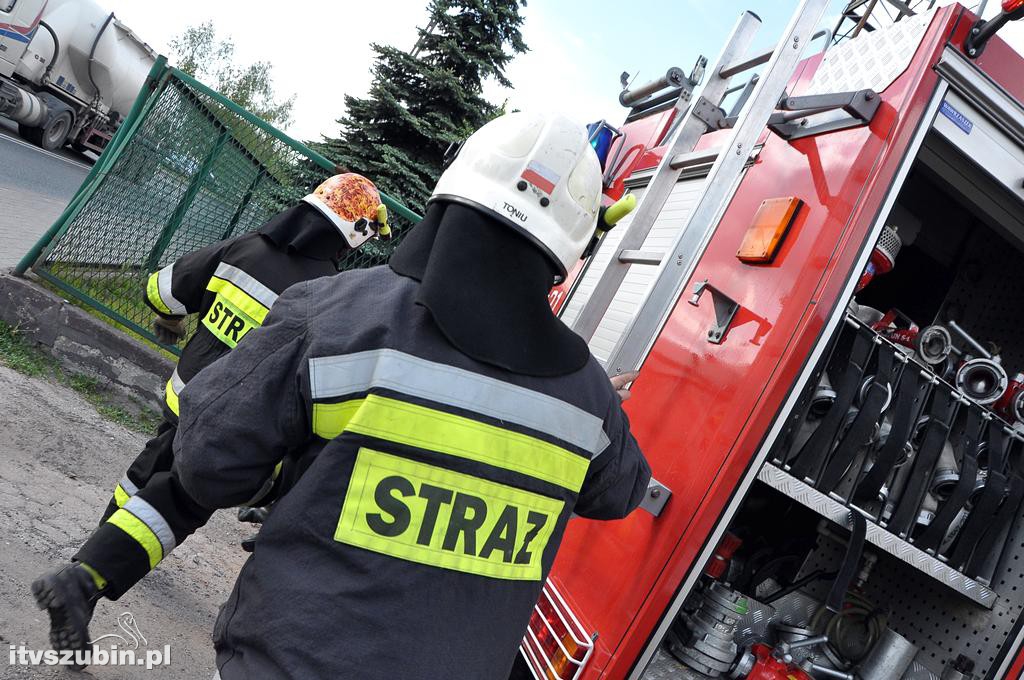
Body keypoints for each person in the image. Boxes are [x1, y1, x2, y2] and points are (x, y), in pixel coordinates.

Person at [172, 111, 652, 680]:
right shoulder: (587, 397)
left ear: (453, 186)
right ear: (570, 246)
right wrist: (590, 404)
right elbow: (620, 493)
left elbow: (206, 461)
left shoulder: (336, 313)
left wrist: (297, 474)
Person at [31, 172, 393, 659]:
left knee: (150, 473)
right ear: (355, 235)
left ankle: (91, 566)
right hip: (233, 428)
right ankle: (87, 576)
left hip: (184, 397)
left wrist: (171, 319)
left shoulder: (247, 248)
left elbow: (163, 290)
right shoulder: (326, 293)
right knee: (183, 498)